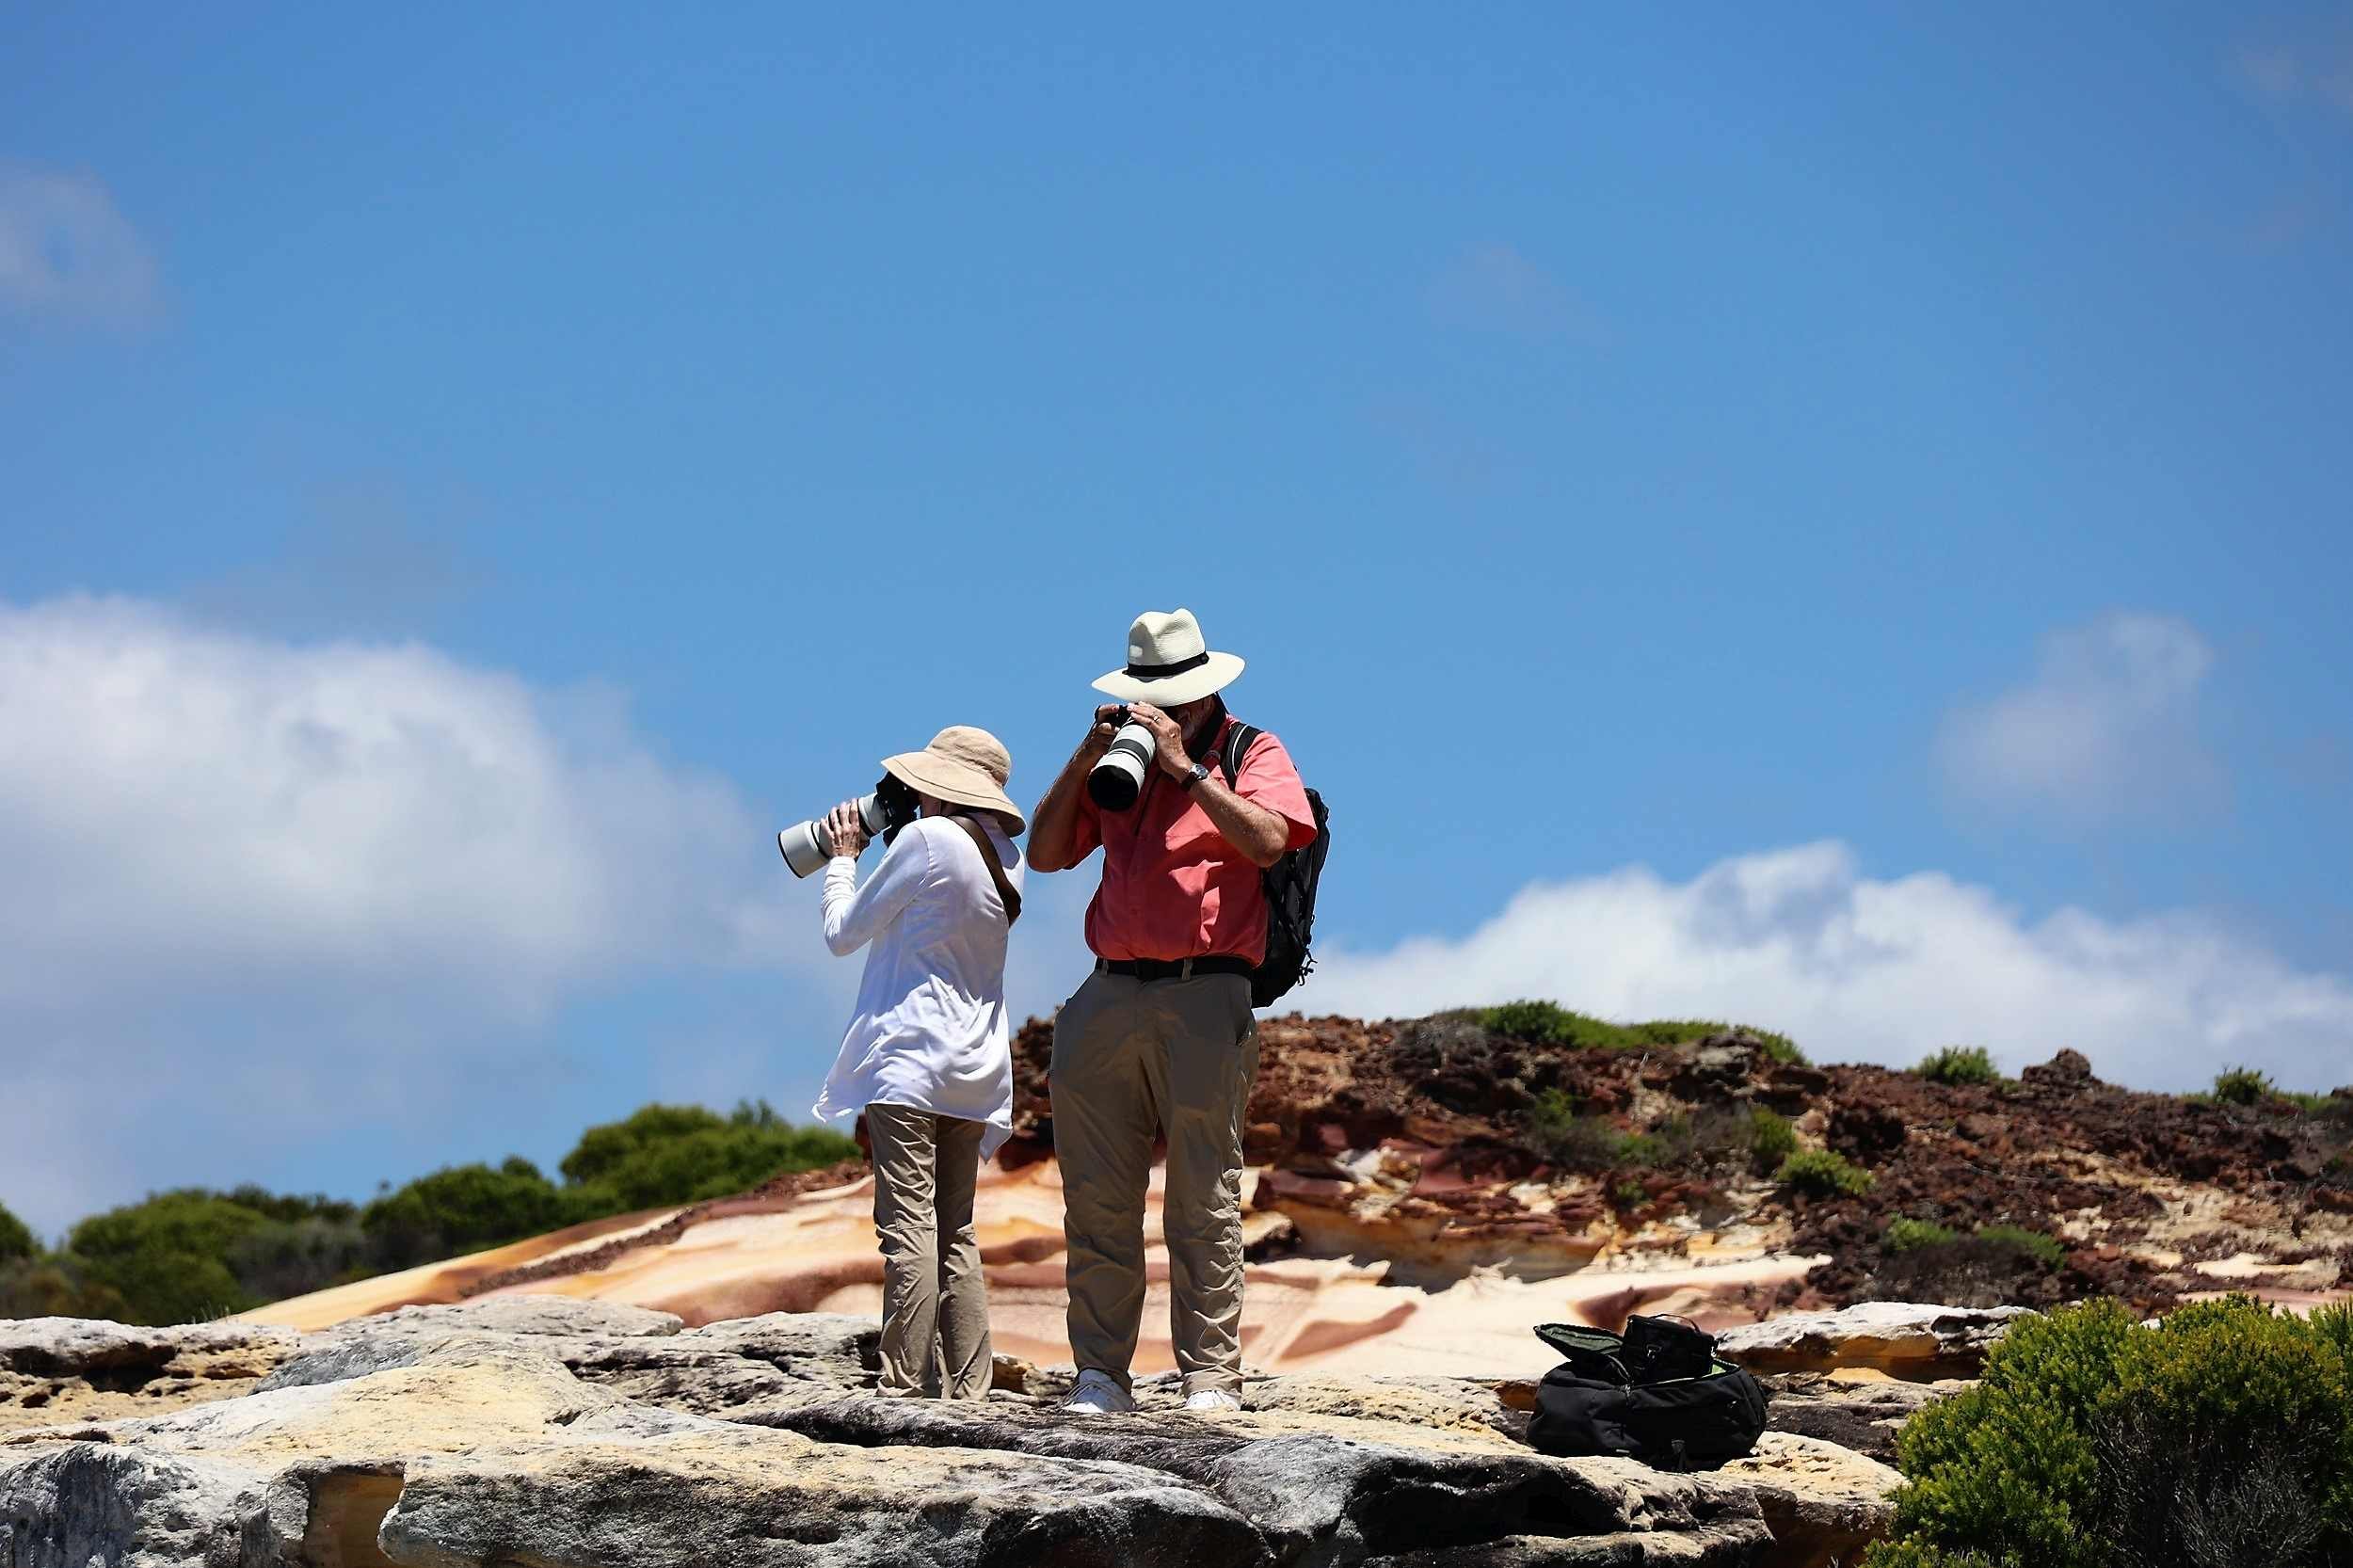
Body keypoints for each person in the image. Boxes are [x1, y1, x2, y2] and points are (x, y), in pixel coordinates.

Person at [1026, 608, 1318, 1415]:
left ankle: (1210, 1377)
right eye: (1152, 699)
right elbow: (1046, 854)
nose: (1164, 712)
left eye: (1178, 699)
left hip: (1206, 986)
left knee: (1202, 1193)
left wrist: (1187, 767)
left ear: (1205, 695)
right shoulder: (1119, 757)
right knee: (1097, 1196)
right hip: (1110, 987)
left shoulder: (1248, 749)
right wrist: (1089, 755)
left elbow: (1270, 840)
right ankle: (1100, 1376)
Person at [809, 726, 1027, 1400]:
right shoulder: (1008, 855)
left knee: (907, 1227)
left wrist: (843, 858)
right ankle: (970, 1391)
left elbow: (844, 934)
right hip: (976, 1067)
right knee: (955, 1232)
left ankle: (903, 1386)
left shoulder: (927, 840)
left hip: (910, 1059)